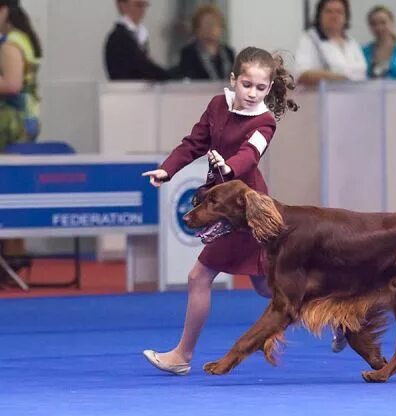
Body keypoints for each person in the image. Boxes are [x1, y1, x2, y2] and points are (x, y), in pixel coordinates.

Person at [141, 47, 298, 375]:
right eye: (246, 84)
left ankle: (182, 356)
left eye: (260, 87)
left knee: (199, 276)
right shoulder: (216, 105)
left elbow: (250, 155)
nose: (253, 93)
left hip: (243, 211)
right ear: (233, 80)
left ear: (269, 89)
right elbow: (193, 144)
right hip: (223, 202)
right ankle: (329, 310)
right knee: (265, 285)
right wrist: (167, 170)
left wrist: (228, 166)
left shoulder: (265, 121)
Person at [0, 0, 42, 282]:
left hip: (10, 125)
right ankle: (12, 255)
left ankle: (12, 254)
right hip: (23, 122)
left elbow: (12, 83)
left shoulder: (11, 43)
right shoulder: (21, 39)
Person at [294, 0, 366, 85]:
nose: (334, 16)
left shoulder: (352, 42)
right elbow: (302, 75)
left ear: (346, 16)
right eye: (329, 11)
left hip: (356, 95)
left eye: (339, 12)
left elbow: (362, 73)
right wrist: (343, 80)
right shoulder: (310, 40)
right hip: (321, 97)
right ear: (319, 15)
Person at [104, 0, 170, 81]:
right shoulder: (119, 38)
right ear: (123, 6)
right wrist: (170, 75)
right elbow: (142, 68)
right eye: (138, 5)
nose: (142, 10)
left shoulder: (140, 34)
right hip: (126, 91)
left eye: (144, 5)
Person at [177, 4, 235, 81]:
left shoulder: (228, 52)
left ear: (221, 28)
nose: (209, 29)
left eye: (213, 24)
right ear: (197, 29)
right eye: (205, 24)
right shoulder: (188, 53)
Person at [362, 5, 396, 80]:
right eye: (374, 24)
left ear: (392, 24)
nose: (379, 27)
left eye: (383, 23)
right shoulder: (363, 52)